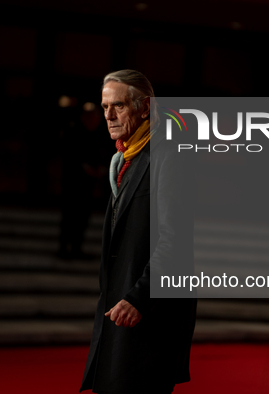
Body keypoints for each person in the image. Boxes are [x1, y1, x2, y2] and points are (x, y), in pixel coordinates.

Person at [80, 70, 197, 394]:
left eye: (118, 106)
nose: (109, 115)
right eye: (104, 107)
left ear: (145, 107)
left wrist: (139, 298)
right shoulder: (124, 159)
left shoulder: (168, 156)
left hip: (148, 315)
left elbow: (174, 239)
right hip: (120, 311)